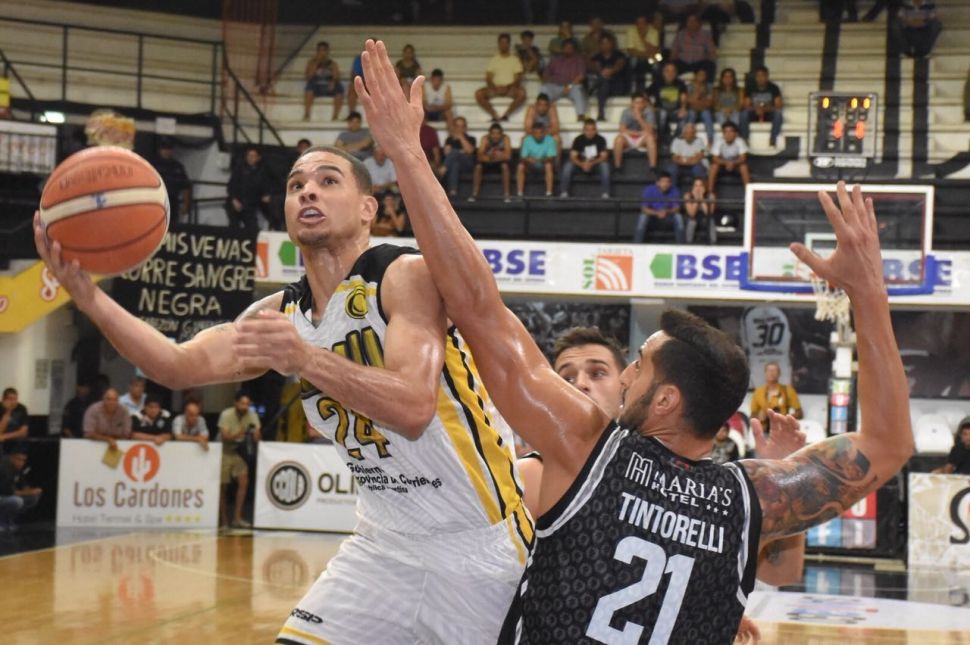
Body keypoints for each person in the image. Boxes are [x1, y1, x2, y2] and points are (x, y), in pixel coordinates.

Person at [357, 41, 913, 643]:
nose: (624, 376)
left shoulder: (589, 448)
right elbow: (889, 442)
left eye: (638, 365)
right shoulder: (750, 498)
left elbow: (476, 305)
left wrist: (408, 155)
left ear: (667, 399)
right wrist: (868, 293)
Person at [36, 61, 531, 640]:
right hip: (382, 547)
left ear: (368, 209)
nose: (307, 192)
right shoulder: (282, 314)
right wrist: (89, 298)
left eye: (327, 181)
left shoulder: (404, 276)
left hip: (479, 547)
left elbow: (413, 407)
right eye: (296, 185)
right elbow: (175, 365)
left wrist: (305, 359)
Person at [523, 325, 805, 641]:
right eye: (566, 376)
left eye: (598, 373)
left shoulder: (706, 490)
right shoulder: (538, 473)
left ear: (628, 384)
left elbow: (782, 571)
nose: (581, 385)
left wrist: (781, 478)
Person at [217, 392, 259, 529]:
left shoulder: (252, 415)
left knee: (244, 481)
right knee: (222, 486)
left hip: (238, 453)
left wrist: (255, 434)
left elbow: (257, 435)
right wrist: (238, 434)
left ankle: (237, 517)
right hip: (223, 451)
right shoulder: (226, 414)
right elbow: (225, 437)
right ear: (235, 403)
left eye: (247, 404)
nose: (244, 407)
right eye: (242, 403)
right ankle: (224, 520)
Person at [475, 33, 527, 122]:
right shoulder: (494, 59)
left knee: (522, 94)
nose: (503, 45)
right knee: (478, 94)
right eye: (501, 43)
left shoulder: (515, 59)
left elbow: (518, 78)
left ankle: (506, 115)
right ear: (498, 44)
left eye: (506, 42)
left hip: (510, 89)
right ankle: (494, 115)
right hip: (495, 89)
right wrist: (494, 87)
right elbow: (488, 77)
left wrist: (507, 87)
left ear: (509, 44)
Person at [539, 38, 587, 121]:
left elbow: (581, 76)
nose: (568, 50)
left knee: (578, 89)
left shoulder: (579, 60)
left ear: (574, 49)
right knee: (544, 88)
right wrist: (551, 79)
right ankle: (543, 112)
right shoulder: (555, 60)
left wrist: (569, 86)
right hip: (557, 86)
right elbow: (545, 74)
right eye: (566, 47)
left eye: (570, 48)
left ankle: (580, 115)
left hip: (572, 86)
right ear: (562, 48)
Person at [560, 118, 610, 198]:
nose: (590, 132)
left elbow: (604, 157)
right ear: (583, 130)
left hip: (595, 165)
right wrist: (582, 164)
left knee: (605, 166)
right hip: (580, 165)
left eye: (592, 129)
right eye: (587, 130)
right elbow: (572, 157)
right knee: (568, 166)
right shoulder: (578, 140)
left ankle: (605, 193)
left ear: (596, 130)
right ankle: (564, 192)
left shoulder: (600, 140)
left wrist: (591, 163)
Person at [225, 147, 273, 232]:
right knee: (234, 227)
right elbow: (231, 186)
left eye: (253, 156)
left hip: (250, 205)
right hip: (236, 202)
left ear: (258, 158)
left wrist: (266, 195)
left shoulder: (262, 171)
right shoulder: (239, 169)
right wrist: (234, 200)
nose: (250, 158)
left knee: (252, 228)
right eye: (249, 155)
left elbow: (265, 186)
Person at [751, 361, 804, 432]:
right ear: (765, 373)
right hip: (764, 430)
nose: (771, 373)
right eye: (769, 370)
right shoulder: (758, 392)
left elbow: (800, 413)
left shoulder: (788, 390)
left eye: (774, 370)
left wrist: (785, 418)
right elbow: (753, 414)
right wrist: (760, 416)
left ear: (779, 373)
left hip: (782, 430)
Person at [612, 92, 658, 170]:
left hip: (642, 139)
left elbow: (650, 130)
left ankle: (653, 167)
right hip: (630, 137)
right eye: (637, 103)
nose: (639, 105)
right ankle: (617, 167)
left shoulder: (648, 111)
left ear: (644, 103)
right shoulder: (626, 112)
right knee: (618, 139)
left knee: (650, 138)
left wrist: (639, 118)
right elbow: (622, 129)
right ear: (632, 103)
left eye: (641, 102)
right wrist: (637, 133)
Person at [635, 170, 684, 243]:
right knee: (643, 217)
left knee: (678, 217)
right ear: (657, 183)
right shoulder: (649, 190)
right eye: (663, 181)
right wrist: (657, 213)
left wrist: (667, 211)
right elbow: (644, 209)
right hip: (653, 217)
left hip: (668, 216)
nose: (665, 184)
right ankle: (637, 244)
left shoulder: (674, 190)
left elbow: (677, 209)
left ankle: (682, 245)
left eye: (668, 182)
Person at [741, 65, 784, 147]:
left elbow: (779, 105)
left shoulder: (774, 88)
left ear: (767, 77)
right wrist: (756, 109)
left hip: (769, 113)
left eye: (762, 76)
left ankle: (773, 139)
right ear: (755, 77)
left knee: (778, 114)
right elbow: (745, 105)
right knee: (743, 114)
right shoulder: (750, 88)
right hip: (754, 112)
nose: (760, 78)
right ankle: (745, 138)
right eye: (758, 76)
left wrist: (764, 109)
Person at [647, 61, 690, 143]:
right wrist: (651, 106)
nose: (670, 73)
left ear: (676, 73)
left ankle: (675, 140)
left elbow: (684, 98)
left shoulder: (680, 83)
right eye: (668, 71)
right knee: (663, 113)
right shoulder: (657, 83)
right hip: (660, 111)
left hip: (675, 111)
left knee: (685, 115)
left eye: (673, 71)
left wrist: (683, 108)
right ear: (663, 72)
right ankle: (661, 140)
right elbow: (645, 95)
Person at [152, 138, 190, 228]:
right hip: (157, 200)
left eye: (169, 149)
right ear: (160, 150)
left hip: (172, 201)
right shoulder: (154, 165)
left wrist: (186, 204)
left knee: (172, 226)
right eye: (164, 149)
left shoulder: (178, 167)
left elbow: (186, 186)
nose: (167, 151)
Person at [0, 450, 42, 531]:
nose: (21, 462)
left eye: (23, 460)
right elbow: (8, 492)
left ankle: (9, 520)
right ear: (12, 458)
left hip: (8, 495)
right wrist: (30, 492)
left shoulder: (17, 470)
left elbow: (24, 485)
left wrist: (32, 491)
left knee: (32, 498)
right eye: (19, 459)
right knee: (16, 501)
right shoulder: (4, 468)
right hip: (2, 495)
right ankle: (1, 521)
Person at [588, 35, 628, 122]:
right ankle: (601, 114)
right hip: (603, 88)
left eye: (607, 43)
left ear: (612, 43)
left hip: (617, 87)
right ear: (599, 45)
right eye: (603, 43)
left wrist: (611, 71)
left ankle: (593, 87)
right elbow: (597, 67)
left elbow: (619, 65)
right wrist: (603, 73)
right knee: (604, 84)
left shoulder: (619, 55)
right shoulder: (597, 57)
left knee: (603, 82)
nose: (605, 45)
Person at [470, 122, 513, 202]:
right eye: (493, 133)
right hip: (488, 163)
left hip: (499, 164)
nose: (495, 136)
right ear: (489, 134)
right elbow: (479, 156)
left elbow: (508, 156)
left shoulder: (505, 138)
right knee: (478, 167)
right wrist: (493, 157)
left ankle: (507, 194)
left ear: (501, 134)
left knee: (505, 166)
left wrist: (492, 157)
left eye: (498, 134)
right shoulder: (485, 139)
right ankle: (474, 194)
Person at [303, 41, 344, 121]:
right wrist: (317, 63)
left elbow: (337, 77)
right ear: (317, 52)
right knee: (309, 87)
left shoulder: (332, 63)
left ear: (327, 51)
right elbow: (308, 77)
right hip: (316, 87)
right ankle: (307, 114)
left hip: (328, 87)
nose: (322, 53)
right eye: (320, 50)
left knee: (339, 88)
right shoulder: (311, 63)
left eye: (324, 50)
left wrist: (333, 80)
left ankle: (335, 116)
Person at [671, 12, 718, 81]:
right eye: (689, 21)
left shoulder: (705, 35)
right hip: (683, 63)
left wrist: (708, 58)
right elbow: (674, 51)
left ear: (699, 23)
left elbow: (712, 51)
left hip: (699, 63)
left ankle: (708, 86)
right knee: (671, 66)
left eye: (694, 21)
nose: (691, 23)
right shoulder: (680, 35)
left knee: (710, 65)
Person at [708, 120, 751, 195]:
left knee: (744, 167)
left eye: (731, 132)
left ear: (735, 133)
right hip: (722, 165)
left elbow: (743, 158)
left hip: (736, 165)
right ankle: (710, 192)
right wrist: (726, 163)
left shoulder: (740, 141)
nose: (728, 134)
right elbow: (714, 158)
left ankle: (748, 193)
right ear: (723, 134)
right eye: (725, 132)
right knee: (714, 166)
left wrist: (733, 163)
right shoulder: (719, 141)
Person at [516, 122, 557, 197]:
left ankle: (549, 193)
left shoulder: (550, 139)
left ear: (544, 133)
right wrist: (528, 160)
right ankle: (520, 194)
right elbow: (523, 157)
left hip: (543, 165)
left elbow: (551, 157)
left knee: (548, 165)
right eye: (536, 133)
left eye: (541, 133)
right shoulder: (527, 140)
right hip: (530, 166)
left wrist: (540, 160)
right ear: (532, 133)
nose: (538, 135)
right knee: (520, 166)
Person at [441, 116, 477, 198]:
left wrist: (461, 137)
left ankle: (442, 170)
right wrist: (461, 152)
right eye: (457, 126)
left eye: (462, 126)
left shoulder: (471, 138)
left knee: (454, 152)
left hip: (468, 164)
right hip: (455, 164)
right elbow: (446, 153)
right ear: (454, 127)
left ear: (465, 127)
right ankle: (453, 191)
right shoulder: (449, 139)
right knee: (455, 164)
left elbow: (470, 151)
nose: (460, 129)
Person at [625, 14, 662, 93]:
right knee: (633, 62)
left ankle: (656, 89)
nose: (640, 25)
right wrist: (647, 54)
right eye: (638, 23)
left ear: (647, 24)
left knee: (657, 65)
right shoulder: (631, 31)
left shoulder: (654, 32)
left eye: (643, 23)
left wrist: (643, 38)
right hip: (638, 57)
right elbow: (631, 51)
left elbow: (654, 50)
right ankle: (633, 90)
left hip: (652, 57)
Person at [668, 122, 709, 187]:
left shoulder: (699, 141)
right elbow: (674, 158)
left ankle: (697, 191)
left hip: (694, 166)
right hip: (680, 166)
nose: (689, 135)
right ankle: (674, 191)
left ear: (694, 133)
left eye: (691, 133)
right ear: (683, 133)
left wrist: (683, 159)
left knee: (698, 169)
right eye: (687, 133)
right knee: (672, 169)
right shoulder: (676, 141)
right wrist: (691, 159)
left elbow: (699, 158)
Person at [683, 176, 717, 244]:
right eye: (696, 185)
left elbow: (709, 213)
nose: (698, 188)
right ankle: (688, 244)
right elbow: (692, 214)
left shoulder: (711, 195)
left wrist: (701, 198)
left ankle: (713, 243)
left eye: (700, 185)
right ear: (692, 187)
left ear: (704, 187)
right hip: (692, 217)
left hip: (705, 218)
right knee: (691, 222)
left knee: (710, 221)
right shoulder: (687, 195)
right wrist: (696, 199)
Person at [686, 68, 715, 142]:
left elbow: (709, 103)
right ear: (695, 75)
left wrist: (699, 104)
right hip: (693, 109)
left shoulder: (709, 86)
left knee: (707, 114)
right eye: (700, 74)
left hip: (704, 109)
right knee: (691, 113)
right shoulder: (689, 86)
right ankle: (688, 138)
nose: (702, 77)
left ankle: (710, 140)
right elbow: (689, 101)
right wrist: (698, 93)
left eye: (704, 75)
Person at [0, 388, 29, 453]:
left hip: (16, 440)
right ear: (4, 400)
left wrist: (5, 436)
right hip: (3, 442)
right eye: (10, 399)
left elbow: (24, 432)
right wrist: (8, 411)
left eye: (15, 399)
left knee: (21, 442)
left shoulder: (21, 408)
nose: (13, 402)